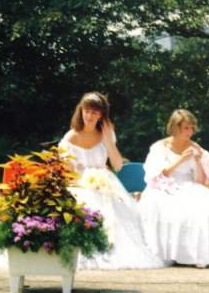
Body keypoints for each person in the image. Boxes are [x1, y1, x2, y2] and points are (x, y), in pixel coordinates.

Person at [58, 92, 165, 270]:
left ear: (101, 115)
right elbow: (67, 174)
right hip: (79, 184)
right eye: (86, 111)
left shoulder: (106, 134)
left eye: (94, 112)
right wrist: (87, 184)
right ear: (81, 112)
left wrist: (108, 138)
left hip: (105, 182)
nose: (89, 116)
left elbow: (117, 165)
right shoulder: (70, 138)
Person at [139, 109, 209, 268]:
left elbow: (201, 181)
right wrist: (180, 160)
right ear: (175, 127)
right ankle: (167, 254)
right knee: (158, 203)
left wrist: (198, 161)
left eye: (192, 128)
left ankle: (200, 255)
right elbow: (157, 175)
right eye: (186, 128)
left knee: (202, 206)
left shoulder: (195, 147)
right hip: (165, 183)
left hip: (189, 185)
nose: (190, 132)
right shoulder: (160, 147)